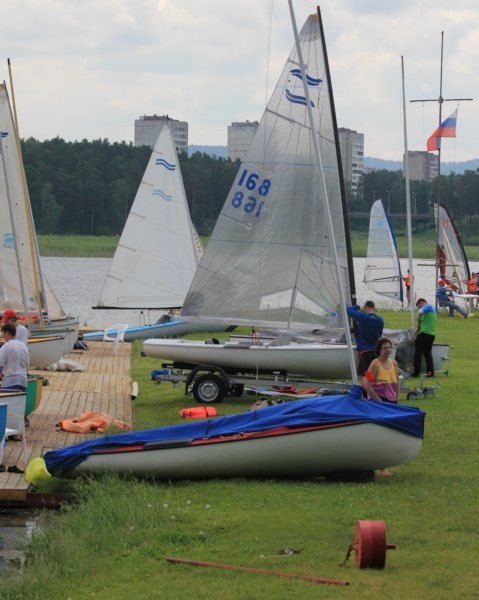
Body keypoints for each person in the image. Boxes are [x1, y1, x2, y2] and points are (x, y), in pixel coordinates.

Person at [362, 336, 399, 478]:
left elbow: (397, 384)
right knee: (379, 436)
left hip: (391, 403)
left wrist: (396, 400)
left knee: (389, 436)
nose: (387, 350)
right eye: (384, 348)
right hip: (378, 403)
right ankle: (377, 466)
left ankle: (383, 467)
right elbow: (367, 384)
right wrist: (378, 401)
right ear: (379, 350)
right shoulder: (375, 364)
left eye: (389, 347)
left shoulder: (394, 364)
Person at [347, 300, 384, 375]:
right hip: (376, 350)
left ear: (365, 308)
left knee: (366, 374)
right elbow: (379, 335)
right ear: (374, 308)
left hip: (364, 351)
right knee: (375, 373)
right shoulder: (380, 320)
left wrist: (357, 306)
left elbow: (348, 310)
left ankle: (367, 381)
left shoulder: (362, 316)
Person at [0, 322, 29, 391]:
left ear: (7, 333)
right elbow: (26, 364)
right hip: (23, 380)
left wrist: (2, 373)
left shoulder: (5, 347)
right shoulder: (24, 346)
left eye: (3, 333)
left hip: (10, 381)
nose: (3, 336)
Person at [413, 298, 437, 378]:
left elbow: (420, 312)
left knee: (418, 354)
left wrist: (418, 319)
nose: (419, 308)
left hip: (424, 334)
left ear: (421, 303)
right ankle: (430, 372)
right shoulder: (432, 312)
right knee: (428, 354)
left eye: (419, 306)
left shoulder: (428, 306)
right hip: (431, 335)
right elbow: (421, 326)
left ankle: (416, 372)